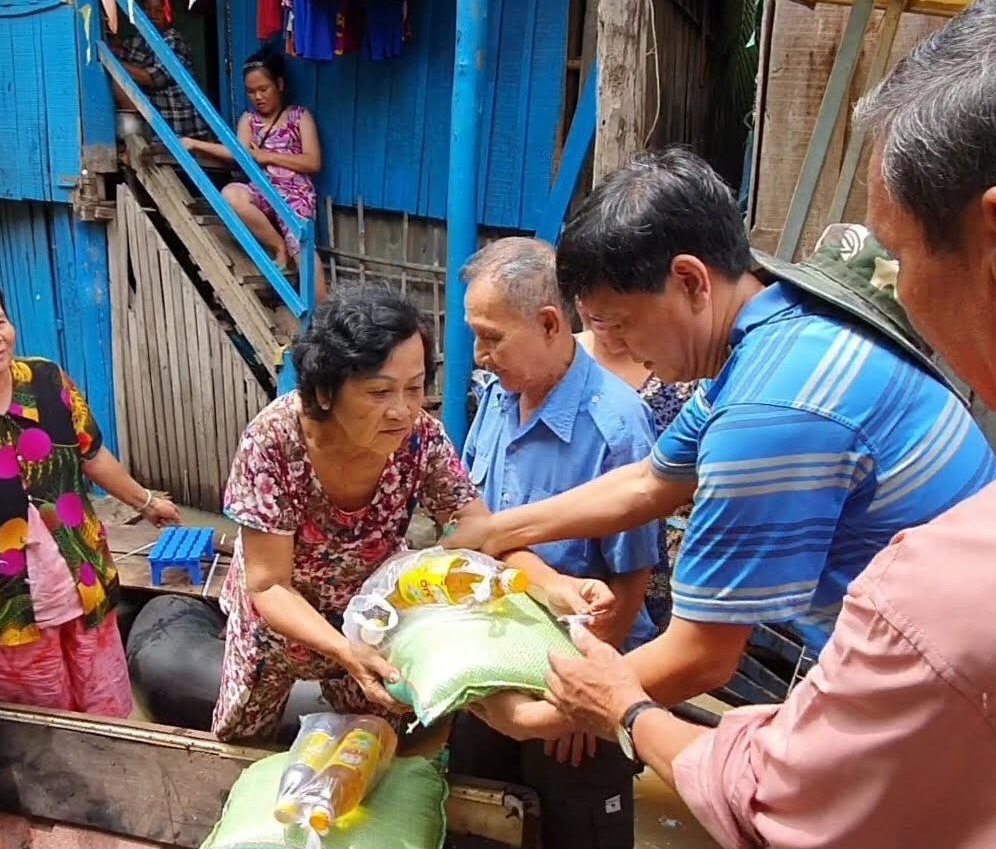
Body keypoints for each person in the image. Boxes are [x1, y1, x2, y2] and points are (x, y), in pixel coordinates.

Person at [541, 2, 996, 847]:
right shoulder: (775, 334)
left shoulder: (932, 583)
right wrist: (498, 528)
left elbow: (779, 796)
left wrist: (616, 705)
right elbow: (652, 479)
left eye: (896, 257)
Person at [447, 147, 996, 742]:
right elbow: (649, 482)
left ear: (690, 281)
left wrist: (538, 718)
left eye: (621, 323)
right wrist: (496, 533)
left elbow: (703, 656)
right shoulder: (782, 324)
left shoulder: (764, 413)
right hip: (953, 640)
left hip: (960, 688)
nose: (622, 350)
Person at [212, 285, 611, 743]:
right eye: (379, 391)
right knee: (240, 739)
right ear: (325, 392)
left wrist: (556, 587)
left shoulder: (420, 439)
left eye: (414, 387)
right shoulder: (273, 443)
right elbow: (268, 584)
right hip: (278, 627)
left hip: (372, 623)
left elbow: (480, 533)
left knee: (379, 747)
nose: (401, 410)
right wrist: (341, 651)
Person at [0, 270, 180, 718]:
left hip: (82, 577)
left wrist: (145, 501)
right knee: (41, 725)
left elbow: (92, 454)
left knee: (105, 706)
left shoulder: (48, 381)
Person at [449, 237, 663, 849]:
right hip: (496, 657)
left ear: (549, 324)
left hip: (584, 664)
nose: (480, 356)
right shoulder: (495, 397)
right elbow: (481, 530)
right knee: (481, 814)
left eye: (492, 337)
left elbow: (631, 578)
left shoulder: (615, 427)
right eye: (475, 336)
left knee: (579, 826)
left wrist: (583, 698)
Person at [574, 299, 695, 633]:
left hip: (669, 556)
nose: (599, 314)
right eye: (587, 294)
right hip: (579, 547)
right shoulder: (556, 366)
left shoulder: (684, 372)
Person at [181, 46, 327, 299]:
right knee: (231, 194)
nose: (257, 97)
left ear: (279, 84)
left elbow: (313, 162)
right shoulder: (249, 121)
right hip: (262, 189)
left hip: (295, 194)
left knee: (301, 245)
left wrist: (266, 155)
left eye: (263, 89)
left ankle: (324, 317)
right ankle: (277, 246)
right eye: (251, 91)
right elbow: (239, 153)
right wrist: (195, 144)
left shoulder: (299, 117)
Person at [110, 0, 213, 142]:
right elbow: (121, 53)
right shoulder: (137, 41)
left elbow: (152, 78)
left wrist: (114, 63)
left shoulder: (173, 40)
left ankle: (138, 140)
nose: (152, 15)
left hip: (178, 125)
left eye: (159, 11)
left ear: (169, 14)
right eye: (147, 9)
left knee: (118, 76)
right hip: (156, 120)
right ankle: (135, 140)